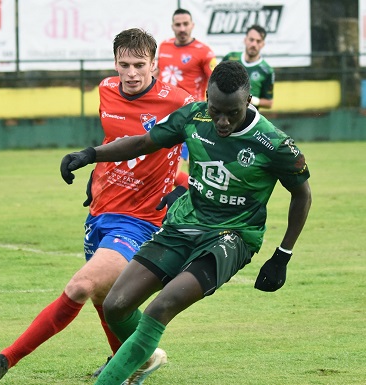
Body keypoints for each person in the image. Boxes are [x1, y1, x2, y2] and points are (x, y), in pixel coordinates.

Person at [59, 60, 312, 385]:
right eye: (215, 109)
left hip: (230, 238)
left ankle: (110, 379)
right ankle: (144, 358)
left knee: (159, 308)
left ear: (248, 101)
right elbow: (142, 143)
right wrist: (91, 154)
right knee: (115, 306)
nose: (221, 120)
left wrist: (283, 255)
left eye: (231, 113)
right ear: (206, 96)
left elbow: (302, 195)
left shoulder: (274, 144)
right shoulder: (194, 116)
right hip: (183, 225)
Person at [0, 28, 195, 385]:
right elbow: (115, 141)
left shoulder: (179, 102)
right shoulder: (106, 89)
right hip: (102, 210)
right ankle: (134, 361)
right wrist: (96, 177)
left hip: (140, 221)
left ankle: (4, 360)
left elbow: (205, 141)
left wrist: (183, 186)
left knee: (81, 285)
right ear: (115, 64)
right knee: (103, 295)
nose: (132, 73)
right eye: (125, 64)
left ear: (155, 64)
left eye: (140, 64)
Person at [156, 8, 217, 177]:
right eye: (178, 25)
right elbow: (157, 75)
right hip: (164, 115)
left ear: (192, 25)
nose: (182, 28)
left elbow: (216, 81)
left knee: (172, 173)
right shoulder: (164, 46)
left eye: (185, 24)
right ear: (172, 26)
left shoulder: (204, 51)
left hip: (189, 116)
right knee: (163, 171)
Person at [223, 25, 274, 110]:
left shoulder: (267, 70)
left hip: (249, 117)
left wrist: (252, 100)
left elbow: (269, 103)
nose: (254, 44)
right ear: (245, 40)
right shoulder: (230, 58)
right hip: (226, 113)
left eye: (258, 41)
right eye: (251, 40)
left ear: (263, 44)